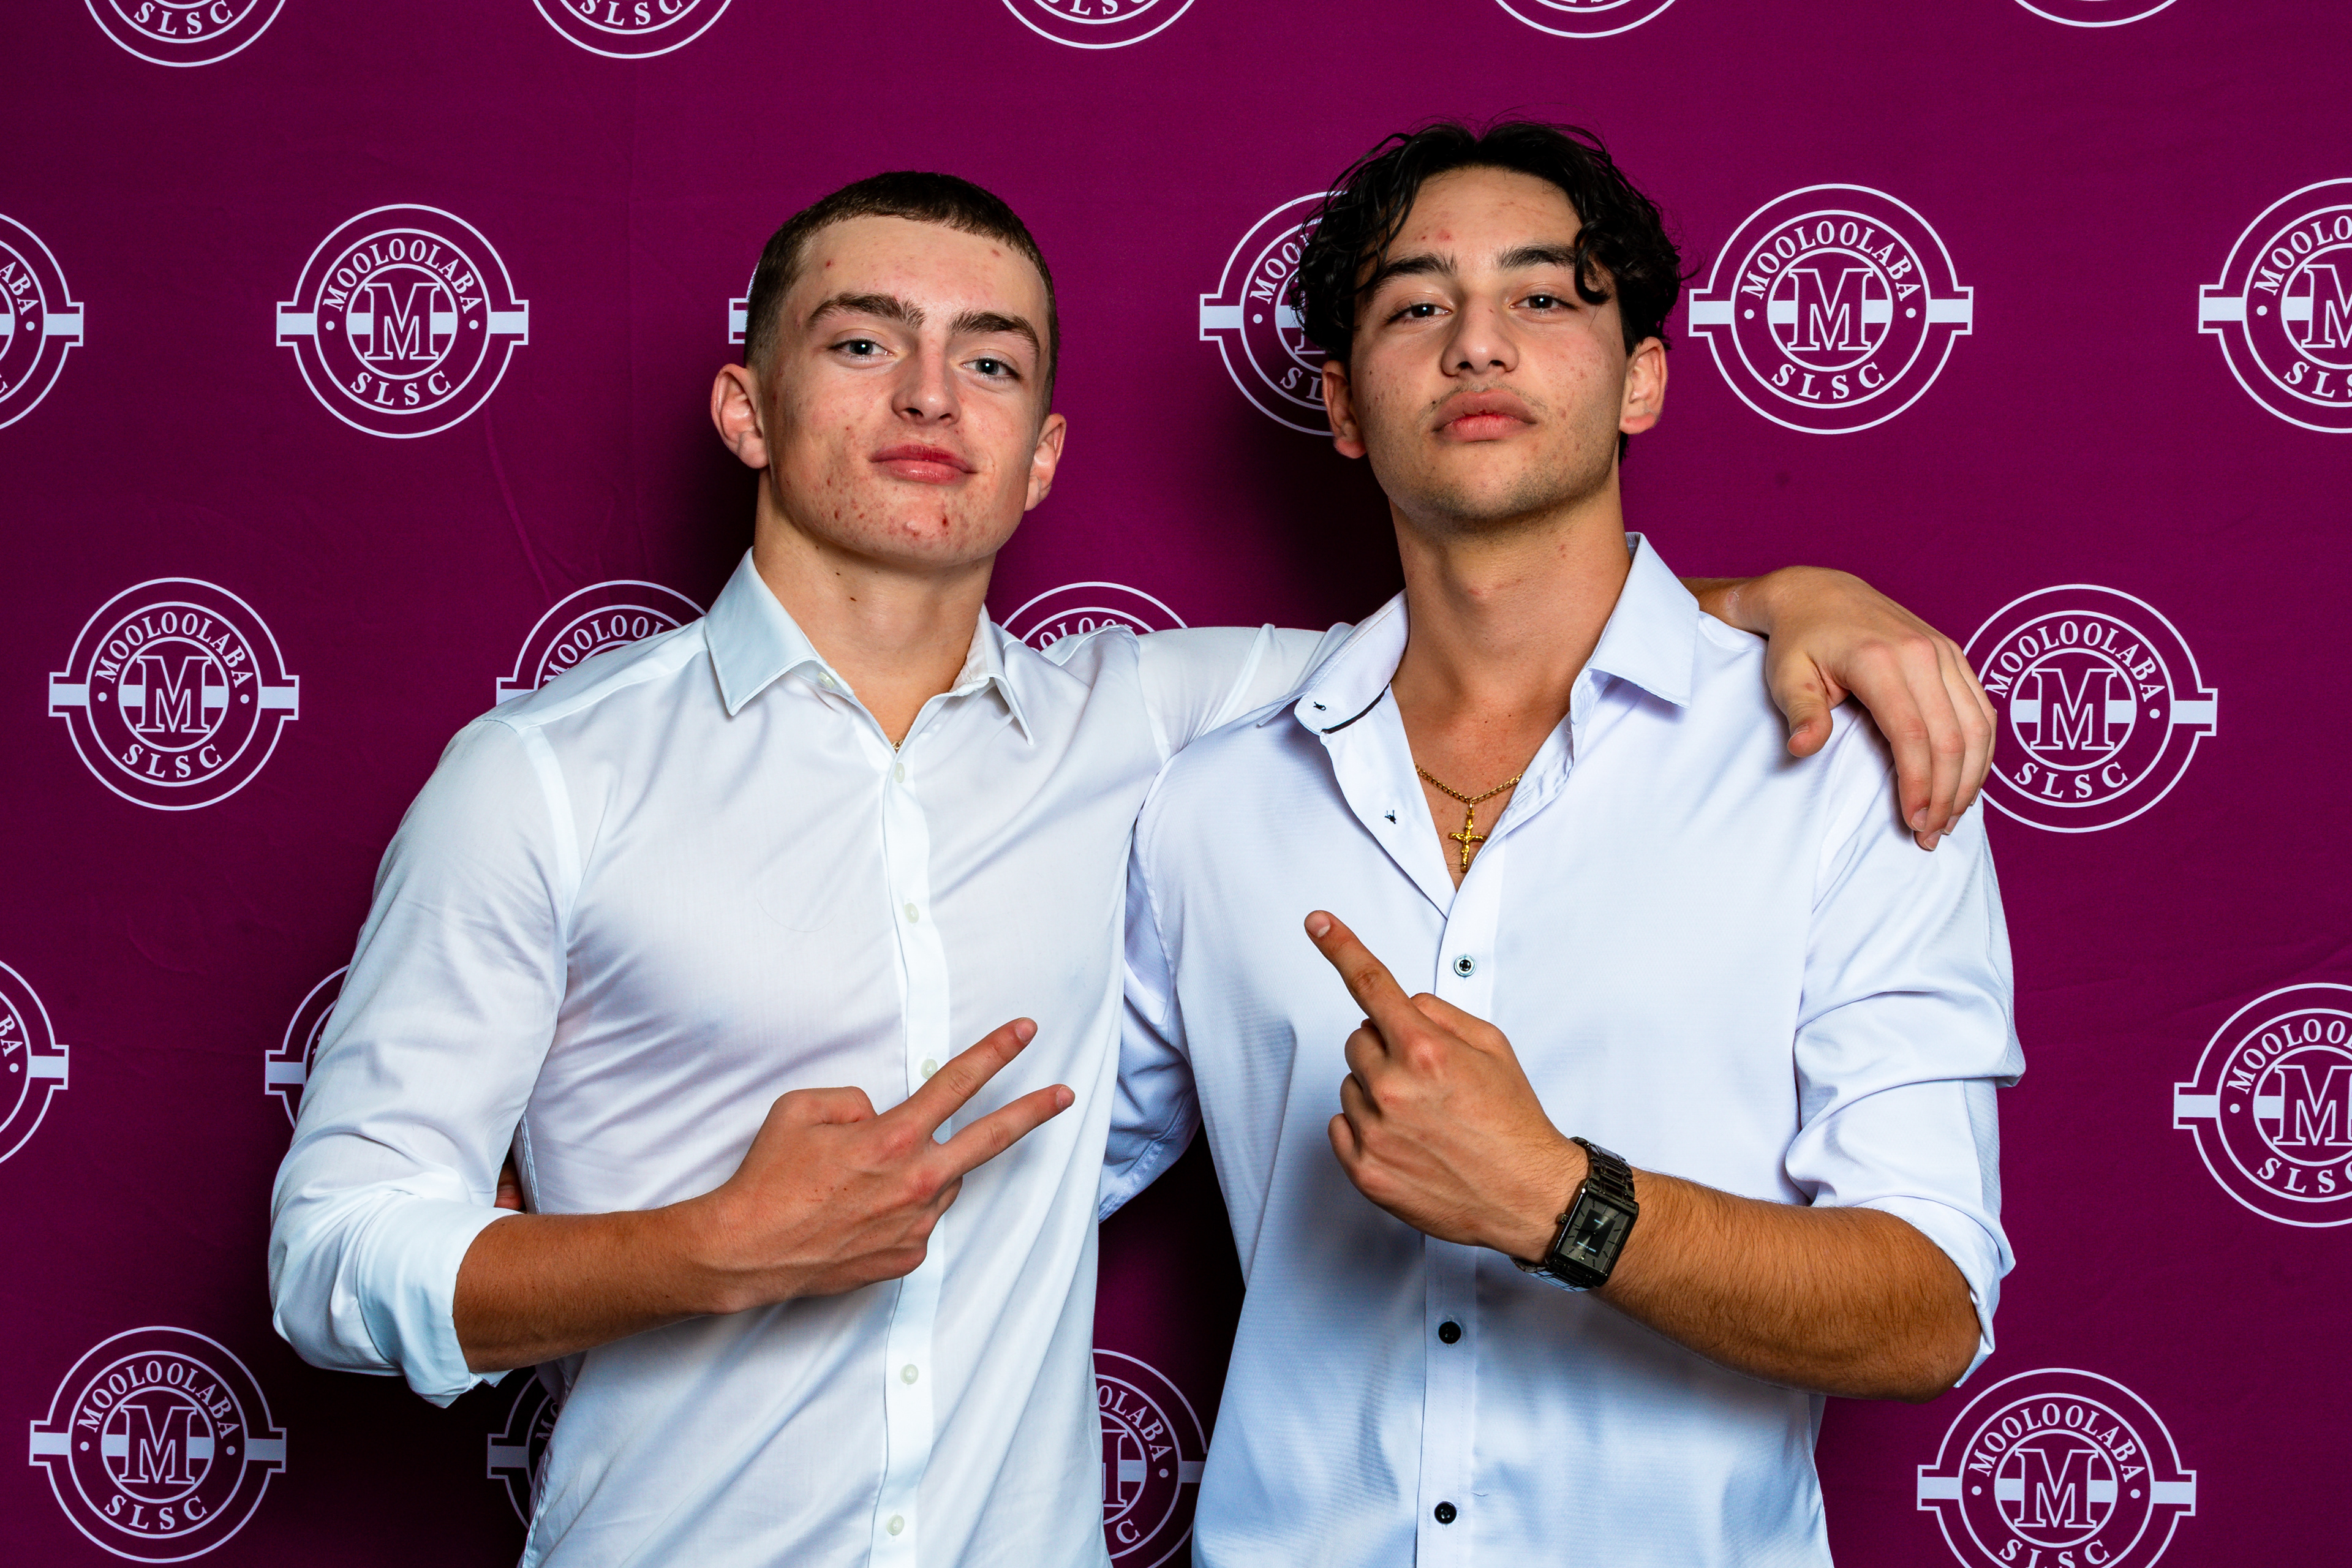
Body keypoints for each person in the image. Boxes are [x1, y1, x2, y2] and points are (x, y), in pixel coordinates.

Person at [270, 169, 1995, 1568]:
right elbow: (333, 1250)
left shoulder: (1153, 730)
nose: (929, 394)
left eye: (991, 360)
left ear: (1045, 450)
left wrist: (1786, 601)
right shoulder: (545, 778)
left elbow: (1515, 632)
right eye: (862, 342)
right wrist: (699, 1247)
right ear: (747, 406)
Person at [1110, 121, 2022, 1567]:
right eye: (1417, 305)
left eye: (1542, 296)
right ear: (1343, 405)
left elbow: (1929, 1305)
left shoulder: (1839, 766)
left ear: (1640, 377)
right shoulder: (1210, 796)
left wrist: (1559, 1200)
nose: (1478, 342)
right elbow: (1017, 1187)